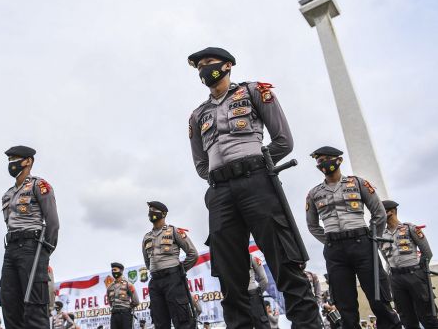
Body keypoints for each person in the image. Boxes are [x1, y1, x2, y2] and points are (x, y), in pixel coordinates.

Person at [187, 47, 321, 328]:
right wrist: (221, 176)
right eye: (199, 65)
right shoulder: (197, 115)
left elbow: (283, 140)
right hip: (220, 192)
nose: (204, 68)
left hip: (257, 181)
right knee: (230, 276)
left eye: (209, 62)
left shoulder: (253, 91)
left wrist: (255, 164)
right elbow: (201, 164)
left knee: (284, 261)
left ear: (227, 65)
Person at [306, 146, 400, 328]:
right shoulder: (314, 193)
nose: (323, 163)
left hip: (362, 244)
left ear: (338, 160)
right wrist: (331, 241)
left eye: (327, 158)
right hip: (335, 252)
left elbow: (379, 213)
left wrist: (372, 239)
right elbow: (312, 226)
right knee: (344, 304)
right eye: (319, 160)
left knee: (379, 298)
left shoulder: (358, 183)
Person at [0, 145, 60, 329]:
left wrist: (44, 253)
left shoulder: (39, 186)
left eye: (15, 159)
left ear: (28, 161)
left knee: (34, 306)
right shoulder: (7, 194)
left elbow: (53, 222)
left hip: (32, 247)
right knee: (10, 305)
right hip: (11, 249)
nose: (12, 164)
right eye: (9, 160)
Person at [381, 200, 438, 328]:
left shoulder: (410, 228)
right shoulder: (381, 235)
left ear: (391, 212)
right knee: (406, 318)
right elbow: (387, 259)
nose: (379, 215)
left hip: (414, 275)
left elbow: (427, 253)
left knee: (427, 316)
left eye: (382, 212)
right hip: (396, 279)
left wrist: (419, 273)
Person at [142, 201, 198, 329]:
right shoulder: (146, 237)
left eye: (154, 209)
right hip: (155, 281)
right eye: (149, 210)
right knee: (159, 321)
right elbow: (147, 262)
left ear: (163, 213)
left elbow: (193, 254)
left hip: (173, 279)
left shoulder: (174, 231)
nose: (151, 212)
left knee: (182, 318)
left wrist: (179, 270)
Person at [107, 262, 139, 329]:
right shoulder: (110, 287)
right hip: (114, 315)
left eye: (115, 270)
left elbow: (136, 301)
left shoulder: (128, 284)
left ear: (121, 271)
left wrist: (127, 308)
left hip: (125, 315)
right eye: (112, 270)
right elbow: (110, 302)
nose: (113, 272)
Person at [248, 255, 269, 329]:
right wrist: (257, 293)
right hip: (253, 294)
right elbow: (264, 280)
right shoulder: (251, 257)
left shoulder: (227, 259)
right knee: (262, 324)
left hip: (236, 297)